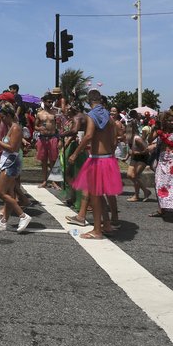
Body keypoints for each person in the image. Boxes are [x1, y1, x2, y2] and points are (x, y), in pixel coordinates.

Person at [69, 90, 122, 239]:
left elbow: (89, 135)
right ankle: (107, 225)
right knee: (99, 194)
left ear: (88, 101)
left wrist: (75, 153)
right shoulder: (108, 117)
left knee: (95, 196)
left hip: (97, 159)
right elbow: (114, 139)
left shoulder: (91, 115)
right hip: (108, 158)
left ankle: (97, 230)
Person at [0, 105, 31, 232]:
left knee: (1, 193)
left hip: (10, 162)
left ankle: (22, 215)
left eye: (2, 117)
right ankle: (3, 221)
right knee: (10, 193)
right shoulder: (11, 127)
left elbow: (12, 147)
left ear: (8, 116)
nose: (1, 120)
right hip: (8, 161)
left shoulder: (16, 128)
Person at [35, 94, 62, 189]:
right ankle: (44, 181)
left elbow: (59, 127)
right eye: (48, 102)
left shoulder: (55, 113)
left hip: (52, 138)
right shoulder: (39, 113)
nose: (50, 103)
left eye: (51, 102)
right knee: (43, 161)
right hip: (42, 138)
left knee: (53, 160)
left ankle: (54, 181)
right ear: (44, 102)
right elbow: (35, 126)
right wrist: (39, 128)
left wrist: (60, 140)